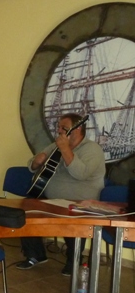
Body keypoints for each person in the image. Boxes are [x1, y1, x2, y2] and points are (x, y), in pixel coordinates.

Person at [16, 113, 105, 276]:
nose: (59, 131)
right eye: (58, 127)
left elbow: (81, 174)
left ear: (77, 129)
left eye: (63, 128)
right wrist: (36, 162)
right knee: (26, 209)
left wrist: (65, 149)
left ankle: (74, 260)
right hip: (51, 198)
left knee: (72, 216)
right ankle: (35, 255)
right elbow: (32, 165)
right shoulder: (55, 145)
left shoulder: (92, 149)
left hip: (80, 201)